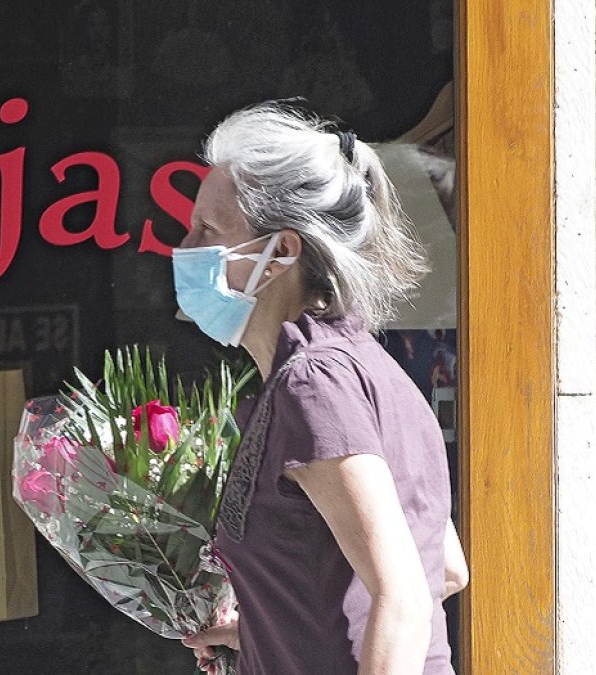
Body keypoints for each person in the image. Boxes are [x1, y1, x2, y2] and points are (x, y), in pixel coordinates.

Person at [174, 103, 469, 674]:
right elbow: (446, 567)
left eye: (209, 230)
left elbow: (405, 599)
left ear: (281, 252)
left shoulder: (313, 385)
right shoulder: (368, 369)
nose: (185, 247)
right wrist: (266, 630)